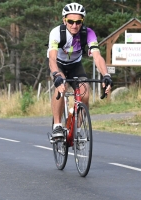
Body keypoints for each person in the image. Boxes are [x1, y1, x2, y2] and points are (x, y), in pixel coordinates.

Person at [47, 2, 112, 138]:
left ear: (82, 21)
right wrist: (56, 75)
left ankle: (75, 130)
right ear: (64, 20)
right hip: (59, 64)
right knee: (61, 86)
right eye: (70, 21)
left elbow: (97, 56)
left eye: (78, 22)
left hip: (75, 65)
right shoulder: (57, 33)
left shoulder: (88, 33)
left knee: (85, 94)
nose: (74, 25)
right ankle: (57, 126)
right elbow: (52, 58)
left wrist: (106, 74)